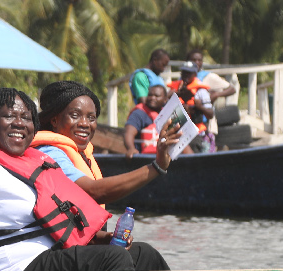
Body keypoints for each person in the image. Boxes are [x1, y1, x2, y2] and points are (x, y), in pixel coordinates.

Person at [0, 89, 170, 271]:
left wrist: (101, 238)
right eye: (9, 116)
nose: (19, 123)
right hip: (11, 267)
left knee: (142, 253)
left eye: (26, 118)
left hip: (49, 256)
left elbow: (60, 219)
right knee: (114, 258)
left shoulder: (38, 161)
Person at [33, 80, 178, 205]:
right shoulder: (50, 153)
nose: (85, 124)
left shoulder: (82, 152)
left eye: (91, 118)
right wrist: (157, 166)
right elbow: (94, 191)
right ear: (54, 120)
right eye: (75, 115)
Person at [167, 64, 215, 153]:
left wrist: (198, 107)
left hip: (195, 133)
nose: (186, 76)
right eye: (184, 73)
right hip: (177, 132)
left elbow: (210, 114)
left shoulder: (201, 91)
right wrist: (177, 95)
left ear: (195, 74)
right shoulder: (175, 89)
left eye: (189, 73)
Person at [124, 83, 168, 155]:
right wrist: (131, 149)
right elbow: (129, 133)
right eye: (150, 95)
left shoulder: (167, 114)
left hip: (164, 157)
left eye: (156, 96)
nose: (152, 98)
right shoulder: (138, 113)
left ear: (165, 99)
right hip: (144, 157)